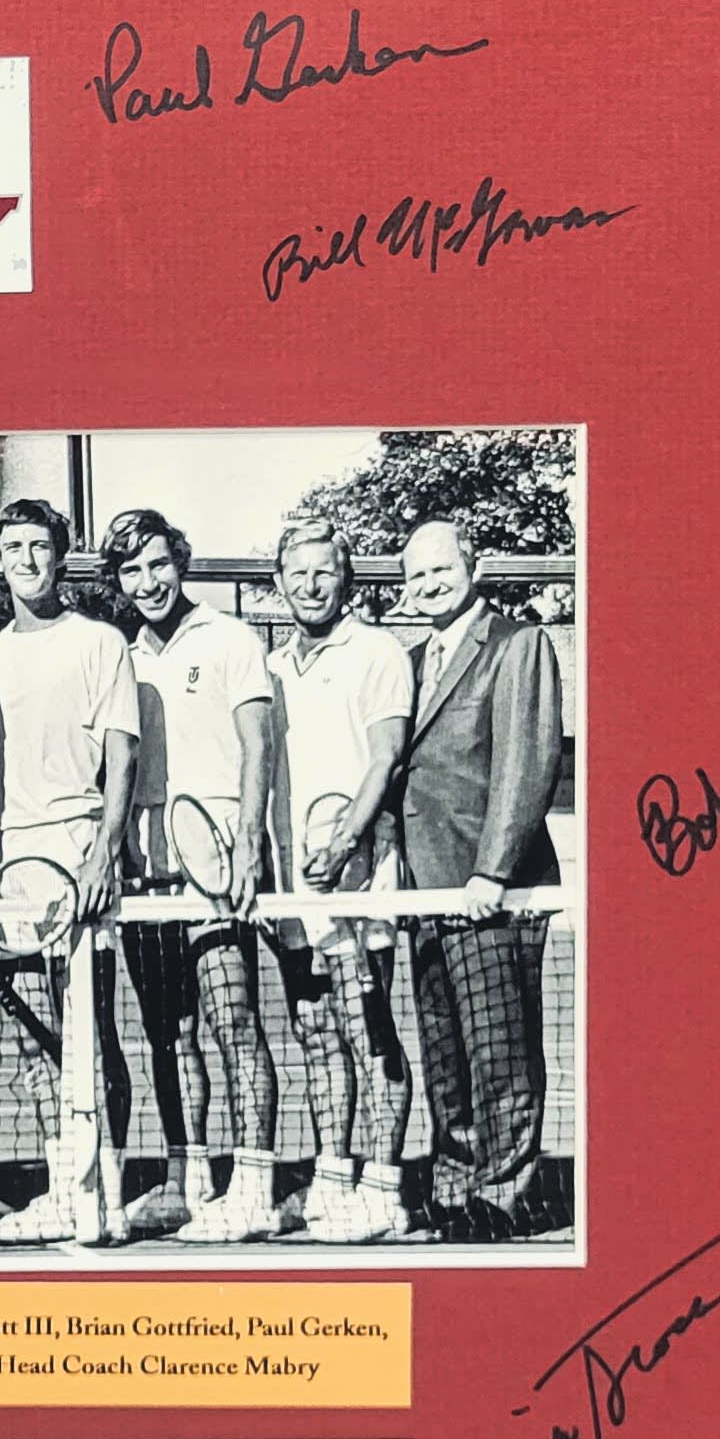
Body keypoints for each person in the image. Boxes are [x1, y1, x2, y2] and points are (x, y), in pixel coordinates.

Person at [103, 506, 282, 1243]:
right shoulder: (123, 656)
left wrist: (245, 842)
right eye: (131, 569)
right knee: (168, 1034)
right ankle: (187, 1180)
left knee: (235, 1021)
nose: (148, 581)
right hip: (149, 877)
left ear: (181, 560)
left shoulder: (232, 638)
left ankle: (256, 1185)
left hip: (216, 873)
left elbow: (257, 744)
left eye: (157, 563)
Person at [391, 518, 567, 1239]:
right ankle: (456, 1190)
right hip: (425, 895)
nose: (429, 583)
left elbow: (526, 763)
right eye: (416, 575)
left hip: (488, 892)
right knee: (445, 1052)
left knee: (501, 1050)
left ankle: (505, 1197)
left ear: (476, 565)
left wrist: (492, 871)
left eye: (442, 569)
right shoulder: (408, 658)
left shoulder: (518, 644)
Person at [0, 497, 139, 1243]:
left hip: (79, 850)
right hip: (8, 862)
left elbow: (123, 755)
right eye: (13, 547)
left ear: (60, 555)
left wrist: (105, 848)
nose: (28, 560)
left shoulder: (102, 643)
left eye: (40, 545)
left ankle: (104, 1187)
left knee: (90, 1028)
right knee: (33, 1035)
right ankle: (61, 1186)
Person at [263, 517, 416, 1242]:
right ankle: (333, 1178)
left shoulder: (377, 650)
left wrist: (347, 842)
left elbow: (384, 758)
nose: (311, 584)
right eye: (297, 573)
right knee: (316, 1030)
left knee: (370, 1029)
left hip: (359, 878)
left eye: (324, 571)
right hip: (296, 885)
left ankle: (384, 1191)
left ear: (346, 577)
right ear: (278, 583)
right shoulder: (272, 667)